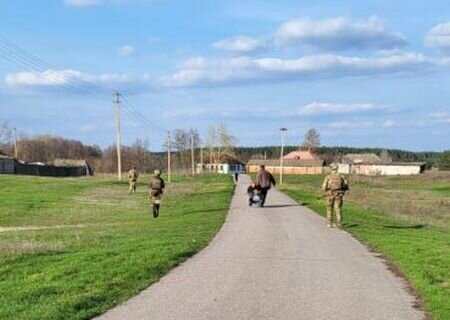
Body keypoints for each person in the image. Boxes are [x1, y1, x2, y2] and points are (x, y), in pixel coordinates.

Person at [321, 164, 349, 228]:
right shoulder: (342, 176)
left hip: (330, 195)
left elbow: (323, 187)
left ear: (331, 169)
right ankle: (339, 223)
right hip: (339, 195)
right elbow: (346, 186)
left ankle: (329, 223)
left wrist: (326, 192)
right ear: (337, 168)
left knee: (329, 209)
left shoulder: (328, 177)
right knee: (338, 209)